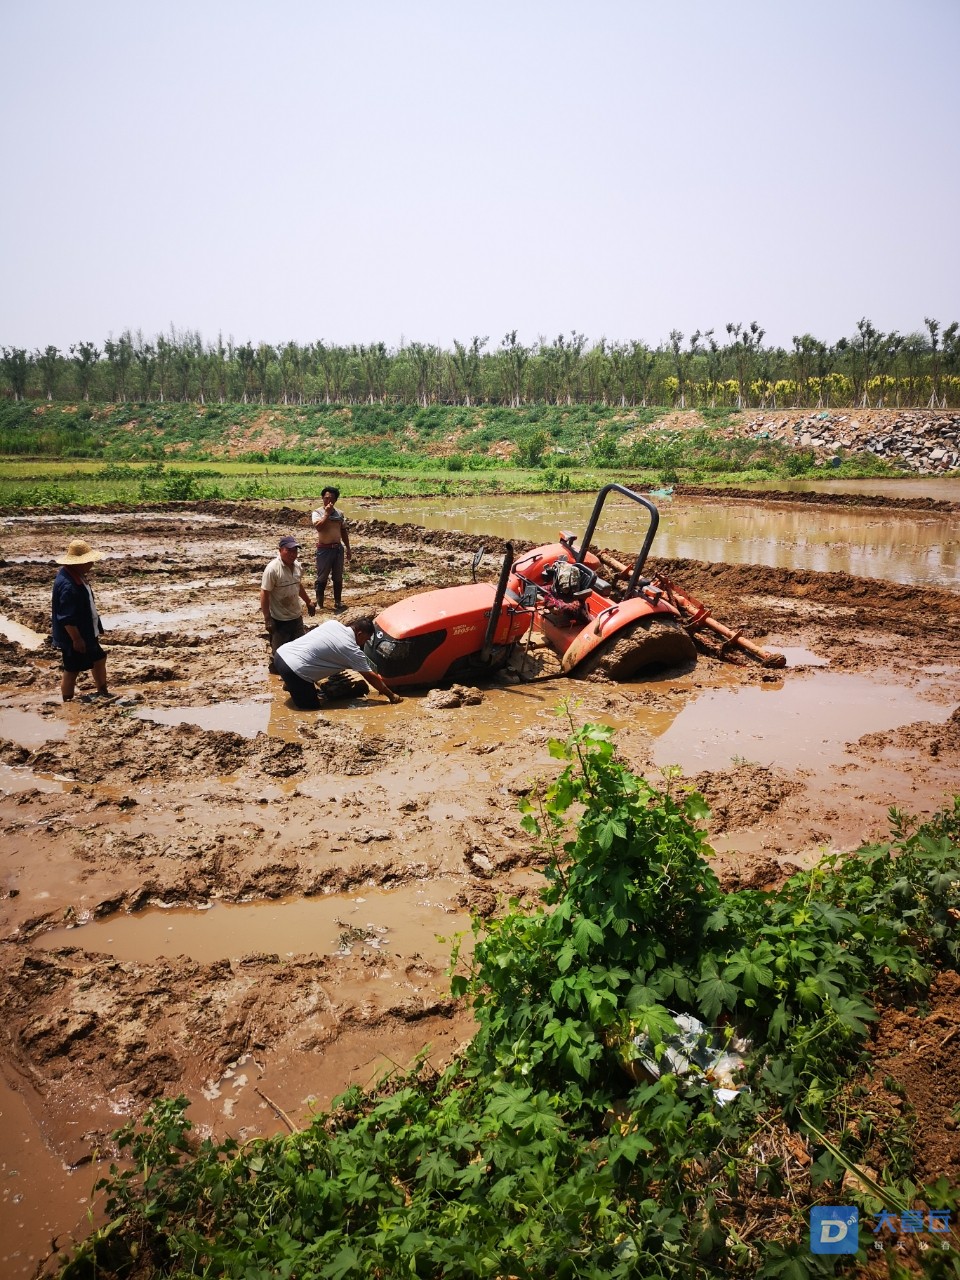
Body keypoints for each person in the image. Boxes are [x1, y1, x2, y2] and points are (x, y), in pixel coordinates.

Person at [273, 612, 401, 710]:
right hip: (294, 670)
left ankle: (291, 684)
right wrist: (391, 695)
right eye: (366, 639)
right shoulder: (351, 650)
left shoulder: (333, 624)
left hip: (281, 655)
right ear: (360, 634)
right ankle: (293, 683)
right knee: (312, 708)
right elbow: (371, 677)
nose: (365, 643)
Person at [51, 538, 114, 702]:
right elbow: (66, 618)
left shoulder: (77, 576)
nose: (92, 564)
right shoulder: (68, 585)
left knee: (99, 658)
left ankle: (102, 691)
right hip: (74, 637)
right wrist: (77, 639)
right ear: (78, 563)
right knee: (71, 670)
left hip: (86, 632)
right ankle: (67, 701)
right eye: (89, 561)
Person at [260, 536, 315, 668]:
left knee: (300, 650)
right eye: (288, 550)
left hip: (296, 617)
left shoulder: (297, 567)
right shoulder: (272, 569)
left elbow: (298, 586)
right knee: (278, 655)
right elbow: (264, 593)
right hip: (279, 619)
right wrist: (267, 619)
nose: (292, 554)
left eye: (295, 551)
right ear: (280, 550)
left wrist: (308, 601)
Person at [311, 486, 350, 612]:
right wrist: (327, 514)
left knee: (338, 577)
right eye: (326, 498)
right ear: (322, 498)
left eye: (332, 499)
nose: (329, 501)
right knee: (322, 577)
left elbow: (343, 532)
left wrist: (348, 548)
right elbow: (319, 528)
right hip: (324, 550)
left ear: (336, 500)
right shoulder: (317, 513)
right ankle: (320, 603)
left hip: (338, 549)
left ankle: (338, 602)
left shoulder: (339, 513)